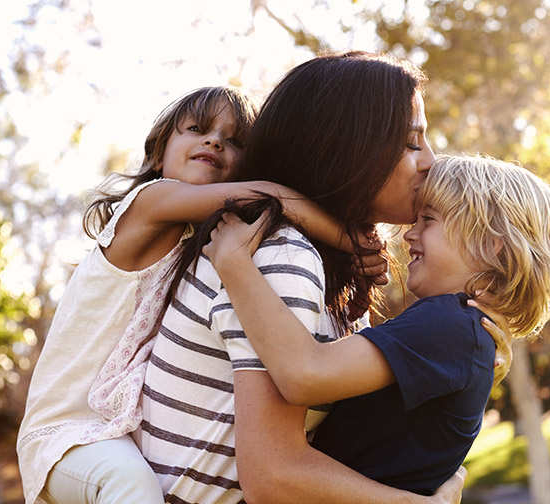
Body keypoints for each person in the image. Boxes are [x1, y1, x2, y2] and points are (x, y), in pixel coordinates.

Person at [138, 52, 512, 504]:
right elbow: (274, 476)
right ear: (349, 147)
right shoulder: (279, 256)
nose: (431, 160)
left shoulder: (327, 263)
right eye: (412, 141)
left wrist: (465, 359)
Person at [16, 85, 367, 504]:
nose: (215, 140)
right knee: (132, 486)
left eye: (234, 140)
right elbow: (270, 198)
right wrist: (355, 245)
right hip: (66, 431)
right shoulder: (149, 201)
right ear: (158, 153)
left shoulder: (198, 244)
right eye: (197, 128)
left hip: (117, 429)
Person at [205, 153, 550, 495]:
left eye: (429, 219)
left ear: (492, 247)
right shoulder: (464, 330)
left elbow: (304, 373)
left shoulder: (449, 323)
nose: (410, 233)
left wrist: (234, 262)